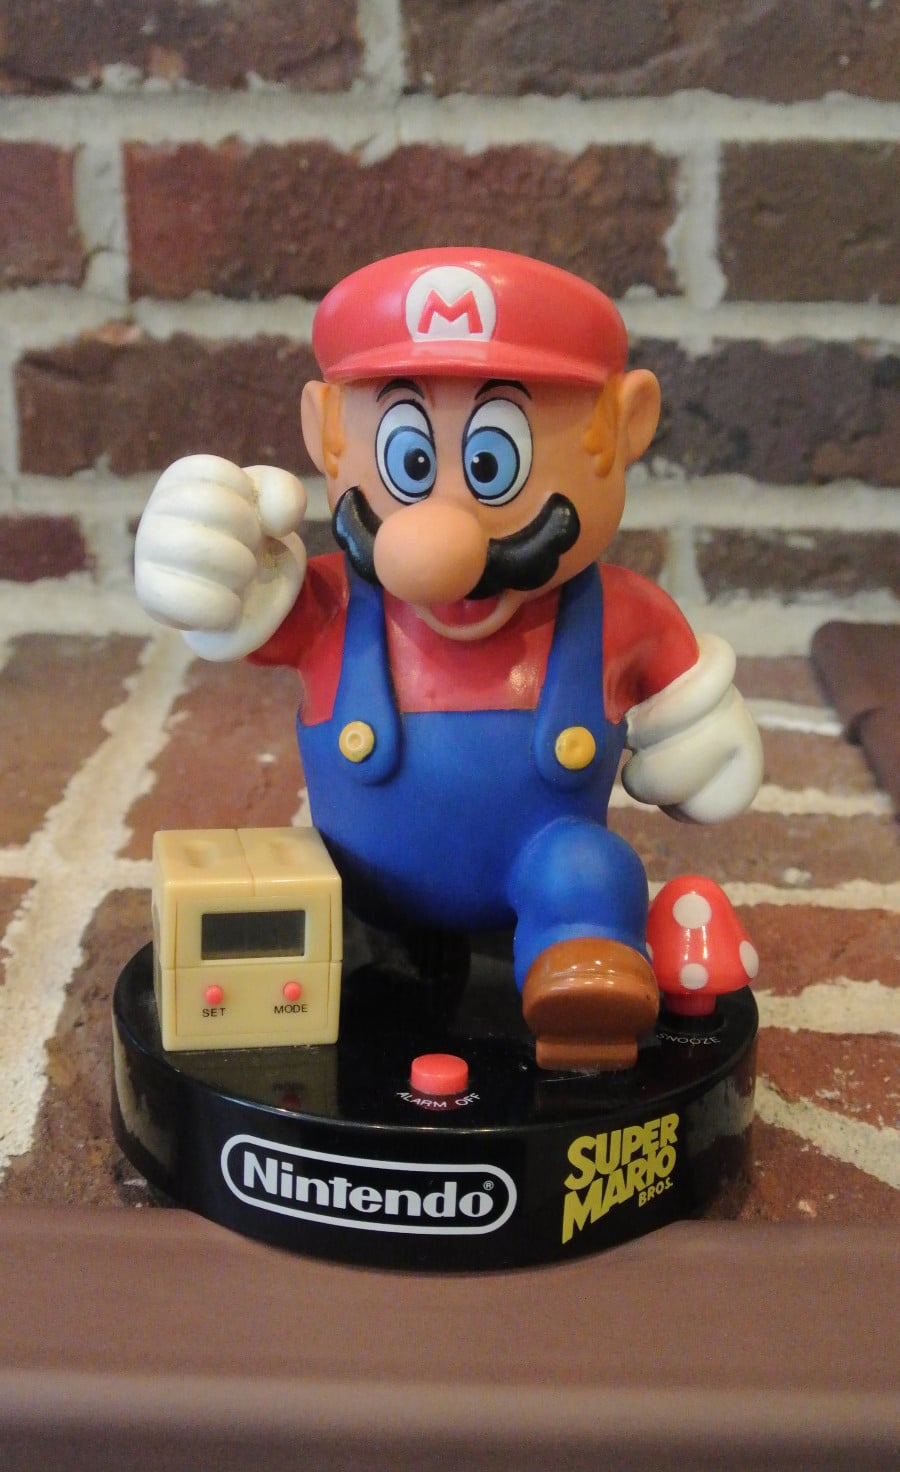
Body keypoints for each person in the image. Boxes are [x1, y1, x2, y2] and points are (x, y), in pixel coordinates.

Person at [135, 248, 762, 1070]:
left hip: (540, 871)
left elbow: (695, 728)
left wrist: (702, 737)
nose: (443, 539)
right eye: (411, 462)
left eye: (492, 465)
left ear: (625, 425)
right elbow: (239, 608)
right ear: (326, 432)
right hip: (360, 895)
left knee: (587, 869)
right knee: (318, 925)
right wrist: (204, 554)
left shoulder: (619, 618)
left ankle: (583, 979)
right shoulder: (327, 606)